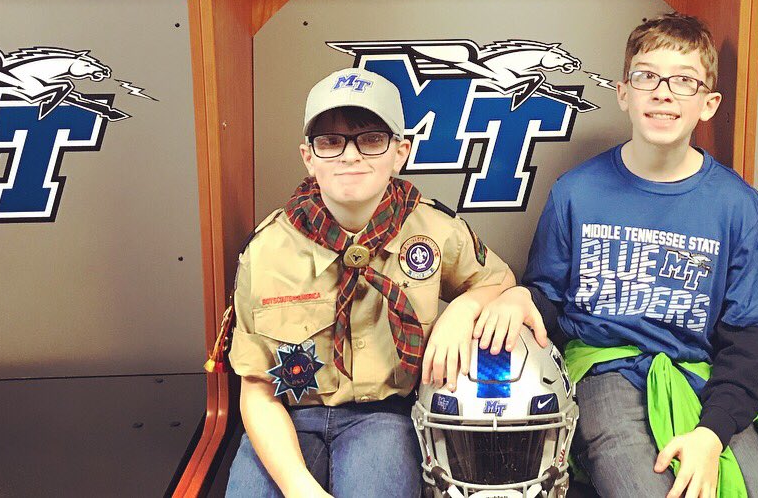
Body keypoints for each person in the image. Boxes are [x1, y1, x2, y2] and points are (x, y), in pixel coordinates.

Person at [516, 13, 758, 498]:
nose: (663, 92)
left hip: (698, 378)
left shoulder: (738, 206)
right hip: (603, 369)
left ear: (708, 104)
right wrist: (513, 300)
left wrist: (712, 434)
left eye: (684, 81)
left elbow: (746, 342)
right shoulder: (576, 193)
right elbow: (547, 301)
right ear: (624, 93)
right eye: (647, 76)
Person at [219, 66, 544, 498]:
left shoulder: (435, 229)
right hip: (287, 417)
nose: (351, 156)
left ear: (400, 152)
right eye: (331, 141)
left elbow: (498, 282)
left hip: (383, 418)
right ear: (308, 156)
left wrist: (465, 308)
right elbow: (256, 391)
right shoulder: (266, 250)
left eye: (371, 139)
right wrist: (300, 488)